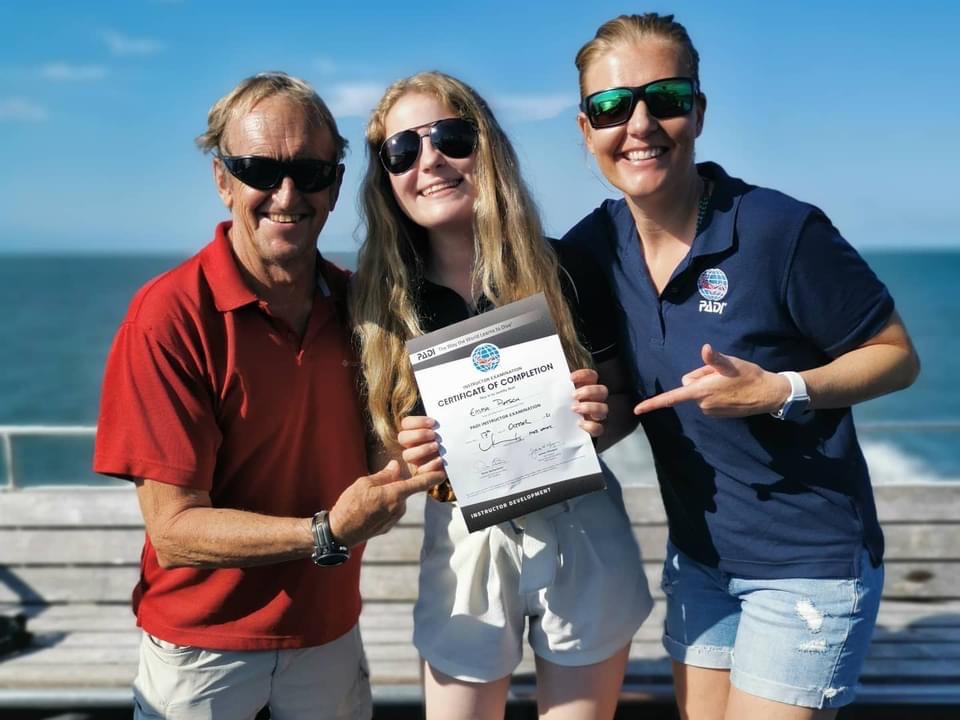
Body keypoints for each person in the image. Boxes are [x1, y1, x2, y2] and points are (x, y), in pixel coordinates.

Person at [563, 13, 921, 720]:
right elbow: (620, 398)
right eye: (611, 107)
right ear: (586, 129)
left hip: (807, 568)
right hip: (699, 561)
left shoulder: (780, 230)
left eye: (665, 98)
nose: (639, 124)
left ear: (698, 111)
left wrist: (781, 389)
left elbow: (897, 357)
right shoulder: (593, 247)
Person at [93, 71, 444, 720]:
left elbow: (389, 466)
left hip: (328, 635)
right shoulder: (169, 316)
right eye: (259, 170)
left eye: (310, 172)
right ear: (223, 179)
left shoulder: (364, 307)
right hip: (201, 652)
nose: (286, 195)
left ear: (335, 185)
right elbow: (174, 531)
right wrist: (327, 532)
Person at [350, 71, 653, 720]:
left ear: (486, 147)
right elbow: (376, 454)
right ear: (386, 177)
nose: (430, 160)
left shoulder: (566, 266)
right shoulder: (379, 305)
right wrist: (405, 459)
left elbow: (623, 400)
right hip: (463, 545)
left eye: (451, 138)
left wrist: (596, 417)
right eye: (402, 150)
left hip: (582, 530)